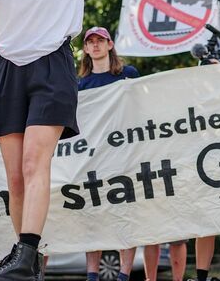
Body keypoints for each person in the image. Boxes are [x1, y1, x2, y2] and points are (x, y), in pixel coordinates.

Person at [0, 0, 204, 276]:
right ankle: (25, 261)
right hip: (8, 67)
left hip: (50, 68)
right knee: (15, 177)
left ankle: (26, 253)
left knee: (34, 162)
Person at [77, 26, 140, 281]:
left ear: (110, 44)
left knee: (125, 215)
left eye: (100, 40)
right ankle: (92, 275)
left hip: (124, 156)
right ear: (85, 48)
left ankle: (124, 275)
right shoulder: (80, 84)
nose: (95, 45)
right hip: (93, 159)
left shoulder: (128, 75)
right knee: (93, 218)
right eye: (90, 41)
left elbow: (141, 108)